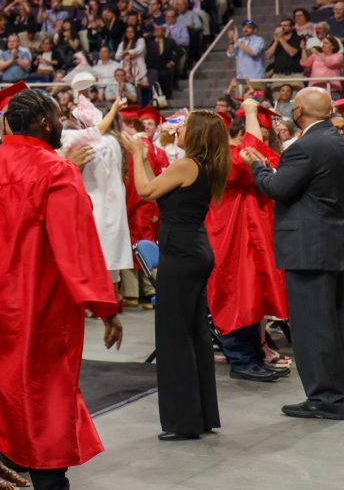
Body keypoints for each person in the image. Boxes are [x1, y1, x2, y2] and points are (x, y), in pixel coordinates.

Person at [0, 89, 122, 490]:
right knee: (45, 404)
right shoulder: (55, 171)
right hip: (37, 308)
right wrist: (103, 305)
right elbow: (75, 246)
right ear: (46, 123)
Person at [243, 86, 344, 419]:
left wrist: (257, 168)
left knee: (313, 327)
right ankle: (335, 392)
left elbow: (278, 188)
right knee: (333, 324)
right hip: (334, 243)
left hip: (309, 247)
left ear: (298, 112)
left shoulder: (306, 146)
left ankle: (325, 398)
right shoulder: (337, 140)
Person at [130, 110, 229, 440]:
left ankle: (183, 421)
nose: (178, 129)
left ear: (197, 133)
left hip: (182, 254)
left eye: (184, 125)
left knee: (174, 338)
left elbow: (144, 191)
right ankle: (200, 415)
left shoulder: (187, 165)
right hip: (193, 250)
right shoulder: (203, 164)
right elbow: (157, 189)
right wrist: (144, 158)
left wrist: (133, 157)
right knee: (195, 333)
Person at [205, 100, 289, 382]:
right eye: (260, 136)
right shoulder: (223, 157)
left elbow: (267, 162)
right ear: (242, 134)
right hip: (229, 238)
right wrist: (252, 113)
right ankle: (240, 360)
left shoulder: (242, 152)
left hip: (250, 238)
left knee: (252, 299)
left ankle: (254, 356)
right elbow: (250, 160)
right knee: (234, 298)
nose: (264, 144)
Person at [58, 87, 134, 297]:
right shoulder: (115, 143)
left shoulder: (87, 140)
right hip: (112, 210)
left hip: (92, 206)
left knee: (91, 261)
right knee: (108, 269)